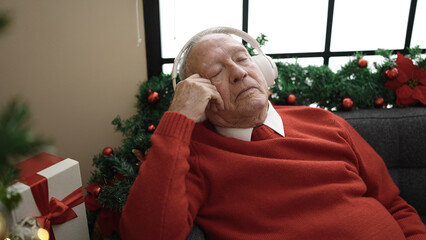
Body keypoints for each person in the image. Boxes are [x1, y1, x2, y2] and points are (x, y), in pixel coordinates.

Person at [119, 27, 426, 240]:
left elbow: (393, 205)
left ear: (264, 71)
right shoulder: (193, 154)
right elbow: (148, 233)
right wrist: (179, 118)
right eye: (216, 73)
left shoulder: (323, 120)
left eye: (241, 59)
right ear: (202, 96)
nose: (238, 72)